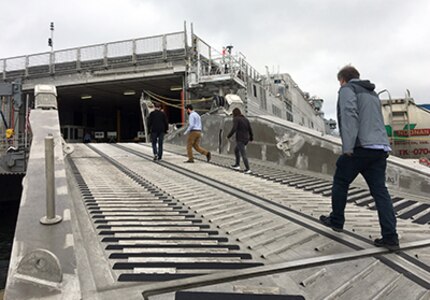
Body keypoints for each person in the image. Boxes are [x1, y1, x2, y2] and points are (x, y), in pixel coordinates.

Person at [319, 65, 399, 250]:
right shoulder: (373, 94)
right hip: (379, 148)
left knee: (340, 181)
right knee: (380, 192)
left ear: (343, 79)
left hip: (360, 146)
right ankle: (390, 236)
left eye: (339, 82)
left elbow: (349, 115)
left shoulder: (348, 89)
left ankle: (337, 220)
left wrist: (348, 147)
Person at [227, 108, 253, 174]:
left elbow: (234, 128)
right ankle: (237, 165)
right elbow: (250, 129)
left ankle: (248, 169)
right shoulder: (245, 119)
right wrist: (251, 137)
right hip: (246, 138)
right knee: (236, 150)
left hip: (240, 138)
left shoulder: (236, 119)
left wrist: (228, 136)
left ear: (234, 113)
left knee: (243, 153)